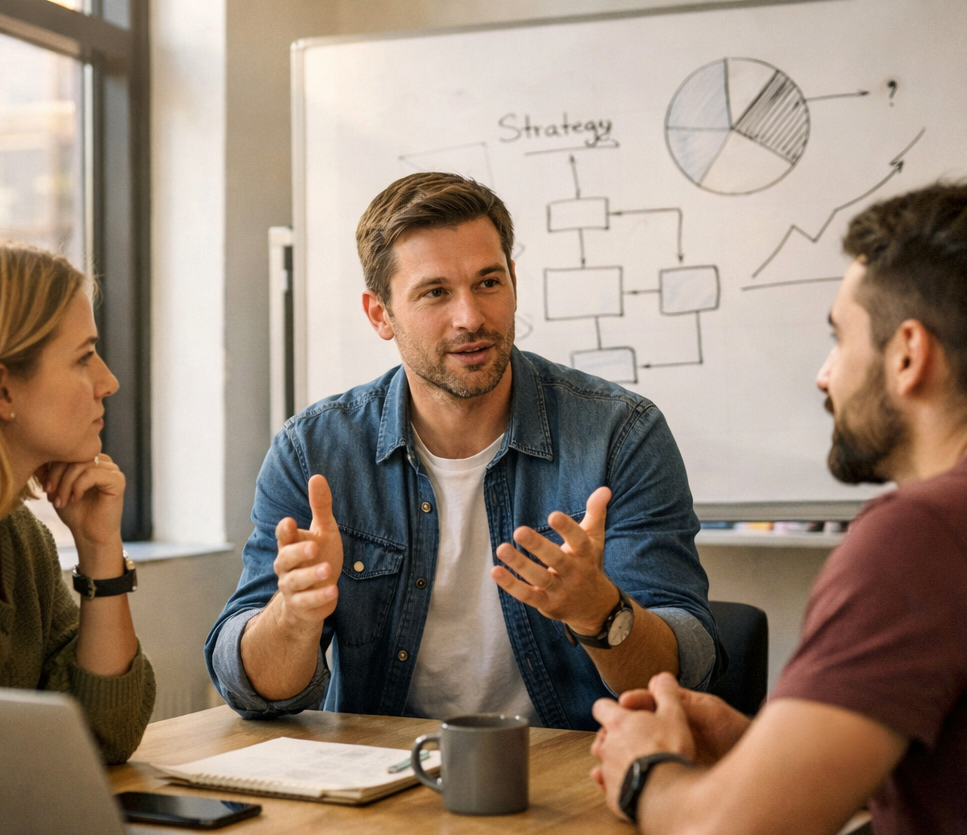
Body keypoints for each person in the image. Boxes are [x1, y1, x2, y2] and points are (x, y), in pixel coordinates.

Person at [590, 182, 967, 835]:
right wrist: (765, 750)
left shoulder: (918, 541)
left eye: (840, 338)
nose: (825, 373)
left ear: (909, 355)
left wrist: (645, 767)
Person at [207, 172, 721, 730]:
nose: (471, 317)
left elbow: (687, 670)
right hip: (383, 783)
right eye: (435, 292)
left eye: (488, 283)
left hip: (576, 775)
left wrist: (601, 613)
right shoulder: (314, 452)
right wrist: (295, 617)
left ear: (514, 283)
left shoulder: (621, 433)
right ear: (380, 314)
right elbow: (251, 690)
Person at [0, 239, 155, 764]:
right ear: (1, 389)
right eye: (84, 358)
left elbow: (108, 734)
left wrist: (100, 547)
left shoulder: (18, 534)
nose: (108, 381)